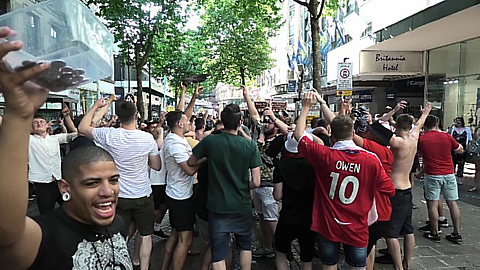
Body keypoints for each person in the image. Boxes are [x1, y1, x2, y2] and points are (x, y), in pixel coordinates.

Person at [0, 27, 132, 269]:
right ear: (66, 187)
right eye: (92, 183)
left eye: (113, 180)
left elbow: (75, 131)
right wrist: (19, 115)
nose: (108, 191)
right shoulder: (46, 235)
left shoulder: (118, 225)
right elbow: (7, 233)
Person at [294, 92, 395, 270]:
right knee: (357, 266)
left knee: (329, 264)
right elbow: (389, 190)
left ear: (331, 135)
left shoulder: (324, 155)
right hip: (357, 227)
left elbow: (299, 136)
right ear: (353, 133)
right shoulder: (371, 160)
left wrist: (306, 107)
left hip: (328, 225)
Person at [79, 100, 161, 270]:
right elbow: (157, 166)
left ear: (118, 117)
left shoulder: (109, 135)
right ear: (136, 115)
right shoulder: (147, 138)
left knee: (118, 235)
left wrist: (96, 106)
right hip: (143, 194)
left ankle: (118, 265)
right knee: (146, 235)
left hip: (119, 195)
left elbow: (82, 128)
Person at [188, 104, 262, 270]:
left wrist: (209, 158)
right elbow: (256, 182)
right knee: (244, 246)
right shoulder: (250, 146)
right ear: (240, 122)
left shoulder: (211, 141)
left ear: (222, 120)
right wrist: (243, 186)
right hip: (241, 205)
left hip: (217, 206)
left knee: (219, 251)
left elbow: (191, 162)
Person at [385, 102, 431, 270]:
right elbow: (420, 123)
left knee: (391, 233)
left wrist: (392, 112)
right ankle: (406, 264)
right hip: (407, 188)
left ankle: (398, 267)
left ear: (396, 125)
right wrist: (425, 112)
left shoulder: (396, 141)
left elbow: (377, 126)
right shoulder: (414, 137)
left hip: (395, 189)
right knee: (408, 230)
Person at [161, 110, 203, 270]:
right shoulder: (174, 143)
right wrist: (204, 160)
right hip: (180, 197)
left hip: (178, 192)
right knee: (185, 239)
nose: (189, 123)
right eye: (186, 121)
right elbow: (189, 170)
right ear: (179, 124)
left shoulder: (178, 139)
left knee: (174, 234)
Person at [273, 132, 316, 270]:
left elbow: (277, 196)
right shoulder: (315, 165)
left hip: (288, 216)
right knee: (307, 258)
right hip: (309, 218)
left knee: (281, 253)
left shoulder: (281, 165)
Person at [418, 115, 463, 244]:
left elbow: (421, 155)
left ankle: (434, 232)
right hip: (448, 173)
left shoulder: (422, 139)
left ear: (425, 125)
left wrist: (420, 173)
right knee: (452, 203)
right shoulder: (446, 136)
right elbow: (460, 149)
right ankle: (456, 232)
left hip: (432, 174)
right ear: (436, 123)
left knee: (432, 204)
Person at [29, 105, 77, 215]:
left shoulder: (54, 139)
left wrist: (67, 117)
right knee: (46, 213)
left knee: (69, 208)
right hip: (42, 182)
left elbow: (75, 134)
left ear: (47, 125)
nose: (39, 124)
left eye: (42, 122)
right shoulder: (29, 141)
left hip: (59, 180)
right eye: (35, 123)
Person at [451, 116, 472, 183]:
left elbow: (469, 139)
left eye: (459, 122)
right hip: (454, 149)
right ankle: (452, 178)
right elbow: (450, 137)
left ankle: (459, 179)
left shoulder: (467, 129)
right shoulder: (453, 129)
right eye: (456, 121)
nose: (457, 123)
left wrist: (468, 148)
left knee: (461, 164)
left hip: (463, 149)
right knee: (453, 163)